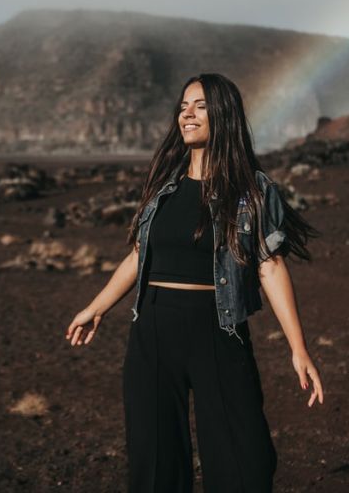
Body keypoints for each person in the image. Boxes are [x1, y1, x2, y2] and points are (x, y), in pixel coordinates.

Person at [65, 73, 324, 492]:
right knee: (155, 467)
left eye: (200, 106)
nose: (187, 114)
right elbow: (138, 256)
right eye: (184, 106)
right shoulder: (163, 187)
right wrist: (96, 307)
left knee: (244, 462)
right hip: (152, 331)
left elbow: (269, 266)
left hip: (219, 333)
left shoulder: (252, 191)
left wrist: (299, 349)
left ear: (223, 114)